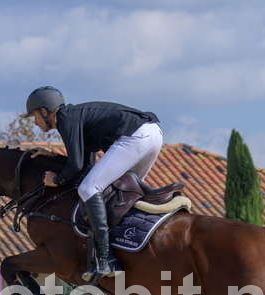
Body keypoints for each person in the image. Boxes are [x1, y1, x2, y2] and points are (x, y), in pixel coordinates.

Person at [23, 86, 163, 279]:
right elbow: (84, 166)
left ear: (45, 111)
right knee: (123, 191)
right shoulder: (75, 118)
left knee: (88, 188)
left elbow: (76, 167)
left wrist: (56, 179)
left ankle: (105, 259)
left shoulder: (66, 119)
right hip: (153, 135)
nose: (35, 123)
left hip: (135, 136)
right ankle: (131, 243)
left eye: (34, 116)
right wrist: (52, 157)